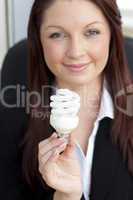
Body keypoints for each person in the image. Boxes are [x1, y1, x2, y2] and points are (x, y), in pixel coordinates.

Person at [0, 0, 133, 200]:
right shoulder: (17, 79)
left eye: (92, 32)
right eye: (57, 35)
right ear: (39, 39)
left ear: (113, 34)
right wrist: (66, 196)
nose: (76, 52)